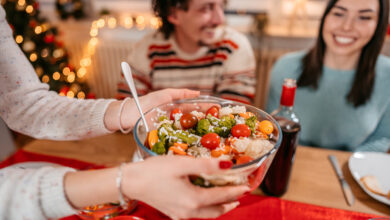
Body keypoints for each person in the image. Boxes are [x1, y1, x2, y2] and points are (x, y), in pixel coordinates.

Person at [0, 5, 249, 220]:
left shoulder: (234, 46)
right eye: (206, 7)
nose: (218, 17)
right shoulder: (148, 49)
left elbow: (26, 103)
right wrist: (126, 182)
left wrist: (126, 112)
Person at [267, 0, 390, 152]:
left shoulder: (387, 75)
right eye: (338, 13)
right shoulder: (285, 67)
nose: (346, 26)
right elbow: (271, 132)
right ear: (325, 17)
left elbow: (383, 139)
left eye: (364, 17)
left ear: (379, 25)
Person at [117, 0, 256, 104]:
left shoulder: (234, 48)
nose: (220, 19)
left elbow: (234, 117)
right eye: (206, 8)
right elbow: (128, 112)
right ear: (173, 14)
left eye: (221, 6)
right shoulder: (146, 51)